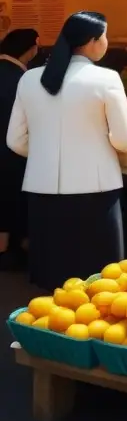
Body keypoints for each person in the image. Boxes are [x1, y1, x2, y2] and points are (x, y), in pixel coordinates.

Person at [7, 12, 127, 290]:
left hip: (42, 189)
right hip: (96, 190)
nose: (106, 42)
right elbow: (124, 140)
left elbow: (15, 140)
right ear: (91, 41)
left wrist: (45, 152)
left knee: (53, 279)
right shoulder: (106, 78)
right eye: (104, 37)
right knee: (99, 281)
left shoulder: (29, 78)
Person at [0, 29, 37, 270]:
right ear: (29, 49)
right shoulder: (22, 80)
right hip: (11, 150)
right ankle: (14, 250)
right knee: (12, 197)